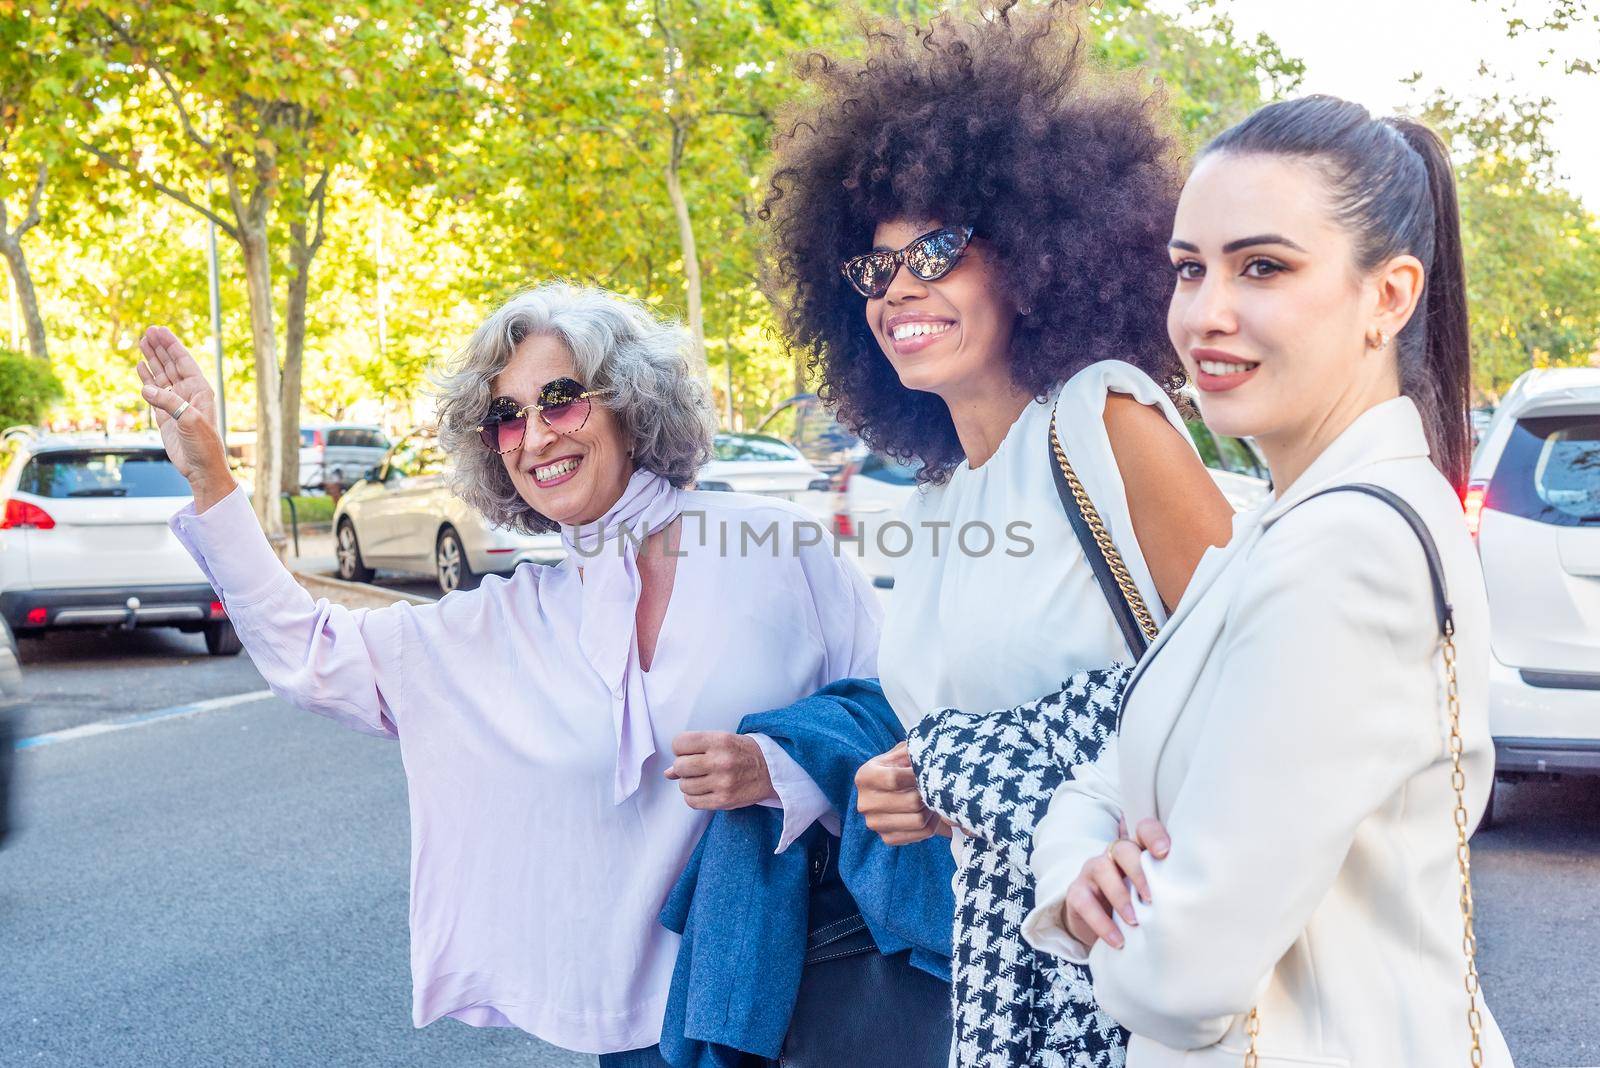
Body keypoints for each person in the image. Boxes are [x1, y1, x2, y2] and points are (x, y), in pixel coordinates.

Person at [132, 283, 880, 1067]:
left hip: (814, 992)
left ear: (629, 402)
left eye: (560, 400)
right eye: (506, 416)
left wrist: (782, 765)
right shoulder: (504, 621)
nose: (533, 436)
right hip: (636, 1036)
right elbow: (308, 655)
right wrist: (212, 478)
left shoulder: (772, 547)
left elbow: (902, 711)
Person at [760, 5, 1233, 1064]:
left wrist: (967, 769)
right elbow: (960, 742)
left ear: (1031, 254)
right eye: (873, 268)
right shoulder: (934, 511)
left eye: (936, 248)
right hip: (1005, 969)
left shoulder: (1098, 418)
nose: (900, 288)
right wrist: (908, 782)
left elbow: (1253, 678)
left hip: (1144, 951)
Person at [1023, 96, 1515, 1066]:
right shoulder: (1278, 525)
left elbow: (1183, 972)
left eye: (1262, 267)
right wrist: (1082, 858)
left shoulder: (1344, 551)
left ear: (1389, 295)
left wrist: (1095, 922)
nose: (1205, 314)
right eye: (1187, 268)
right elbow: (1108, 780)